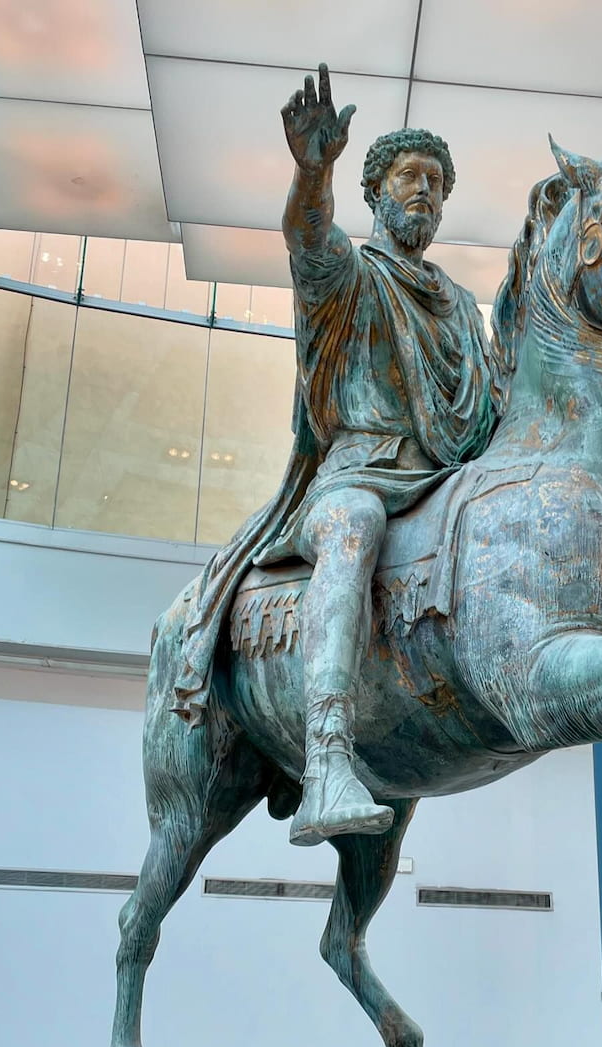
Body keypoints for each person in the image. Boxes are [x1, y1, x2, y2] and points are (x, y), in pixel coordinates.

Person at [172, 65, 495, 848]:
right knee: (351, 525)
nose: (426, 192)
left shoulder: (457, 304)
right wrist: (312, 170)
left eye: (436, 183)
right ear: (376, 195)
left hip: (445, 482)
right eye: (409, 178)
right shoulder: (349, 277)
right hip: (359, 473)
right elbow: (307, 237)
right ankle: (325, 755)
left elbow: (490, 409)